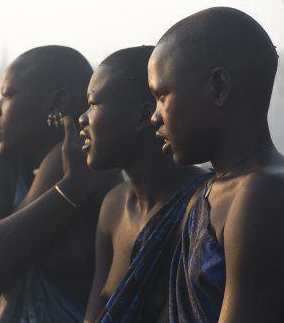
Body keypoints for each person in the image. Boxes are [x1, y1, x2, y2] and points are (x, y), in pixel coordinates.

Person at [148, 7, 284, 323]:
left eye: (162, 95)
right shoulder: (209, 191)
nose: (155, 116)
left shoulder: (267, 193)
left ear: (219, 87)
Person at [0, 45, 124, 322]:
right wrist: (69, 190)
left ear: (56, 103)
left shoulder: (85, 160)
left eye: (7, 96)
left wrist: (69, 186)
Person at [80, 46, 209, 323]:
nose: (83, 118)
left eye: (94, 104)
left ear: (143, 116)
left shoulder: (204, 208)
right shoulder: (114, 206)